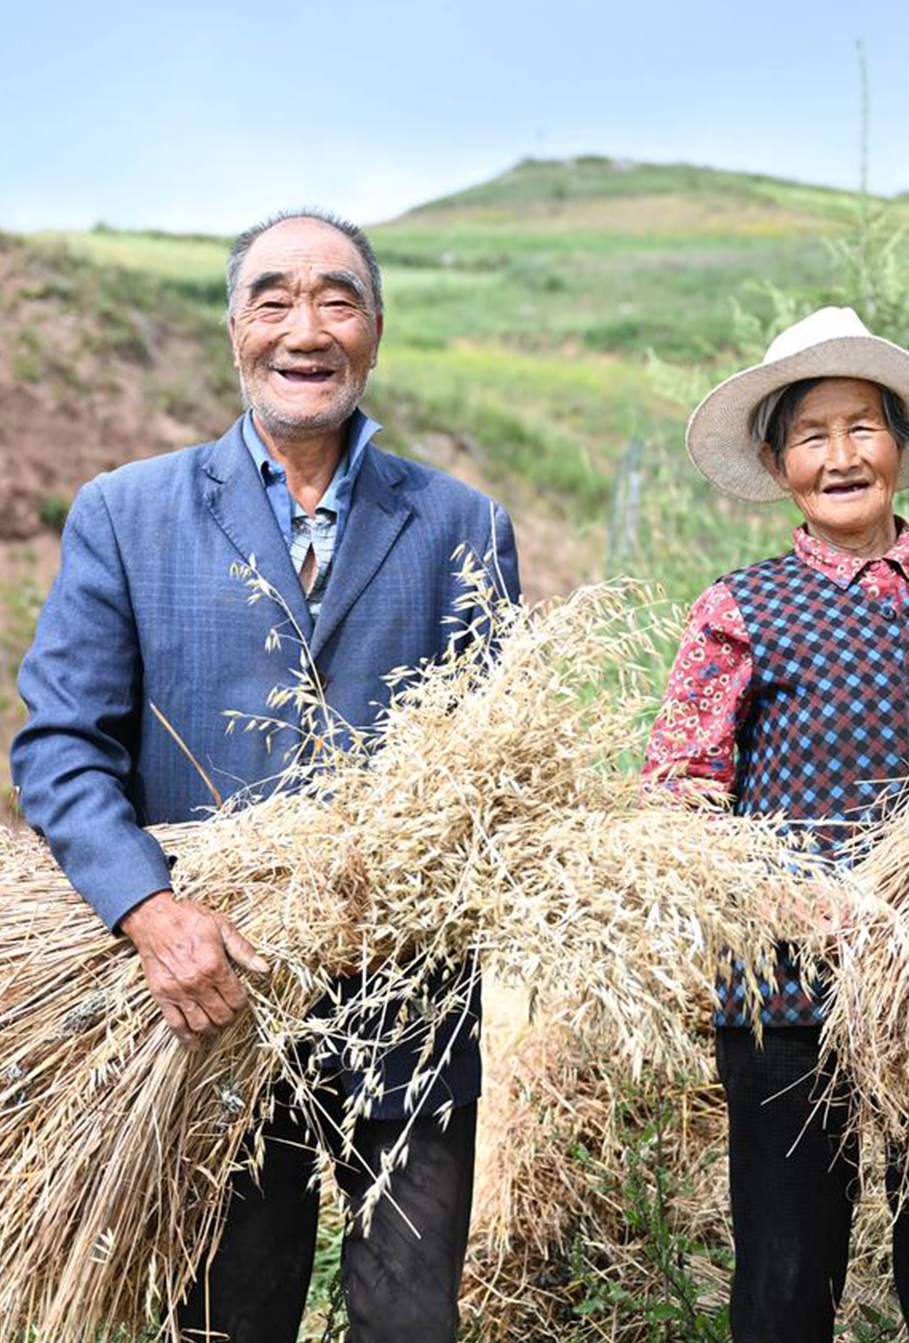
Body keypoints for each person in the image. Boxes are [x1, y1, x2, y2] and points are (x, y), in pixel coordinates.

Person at [11, 208, 520, 1343]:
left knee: (409, 1317)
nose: (307, 326)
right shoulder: (127, 514)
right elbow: (60, 742)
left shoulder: (459, 525)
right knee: (227, 1316)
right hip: (208, 998)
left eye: (336, 299)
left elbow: (503, 764)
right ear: (235, 329)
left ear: (375, 333)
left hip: (409, 1003)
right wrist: (148, 909)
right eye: (274, 299)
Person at [642, 305, 909, 1343]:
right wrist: (782, 896)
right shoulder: (737, 608)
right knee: (784, 1264)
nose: (840, 454)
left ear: (899, 446)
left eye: (860, 426)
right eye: (810, 435)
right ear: (777, 465)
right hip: (784, 976)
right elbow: (675, 794)